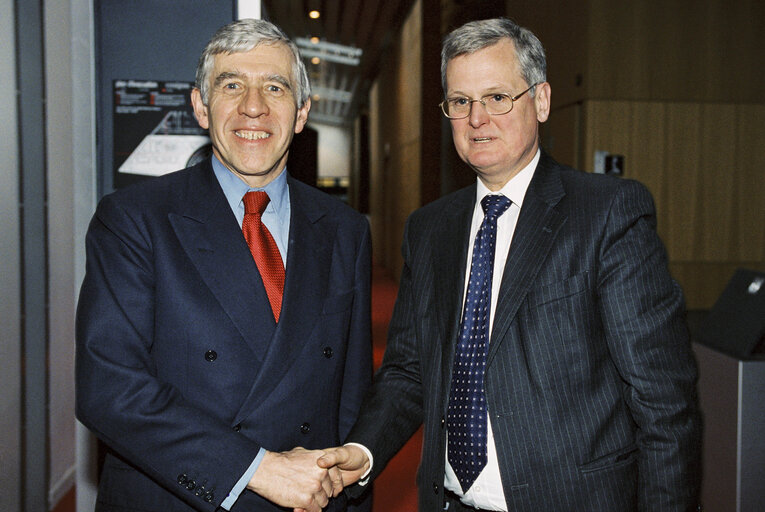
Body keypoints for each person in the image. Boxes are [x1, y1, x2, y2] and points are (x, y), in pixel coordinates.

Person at [318, 17, 702, 512]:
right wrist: (362, 450)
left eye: (498, 97)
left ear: (540, 101)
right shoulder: (429, 229)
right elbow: (410, 370)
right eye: (460, 102)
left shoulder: (607, 214)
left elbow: (664, 405)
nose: (477, 118)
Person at [76, 18, 371, 512]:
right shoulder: (133, 220)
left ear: (301, 113)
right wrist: (257, 468)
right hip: (177, 497)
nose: (253, 106)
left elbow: (352, 398)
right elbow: (110, 388)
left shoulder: (344, 229)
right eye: (231, 84)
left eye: (274, 87)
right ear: (200, 106)